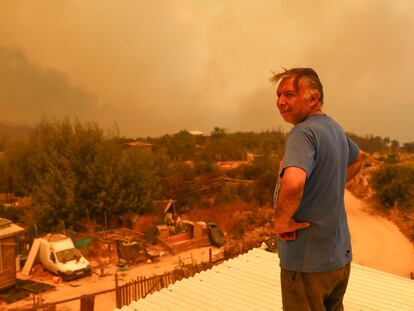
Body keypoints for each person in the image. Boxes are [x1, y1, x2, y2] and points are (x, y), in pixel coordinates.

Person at [271, 67, 365, 311]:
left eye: (289, 94)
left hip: (307, 265)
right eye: (278, 95)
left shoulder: (303, 133)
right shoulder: (333, 128)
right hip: (338, 263)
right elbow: (359, 157)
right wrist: (329, 184)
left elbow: (293, 183)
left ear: (312, 98)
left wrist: (281, 223)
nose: (280, 101)